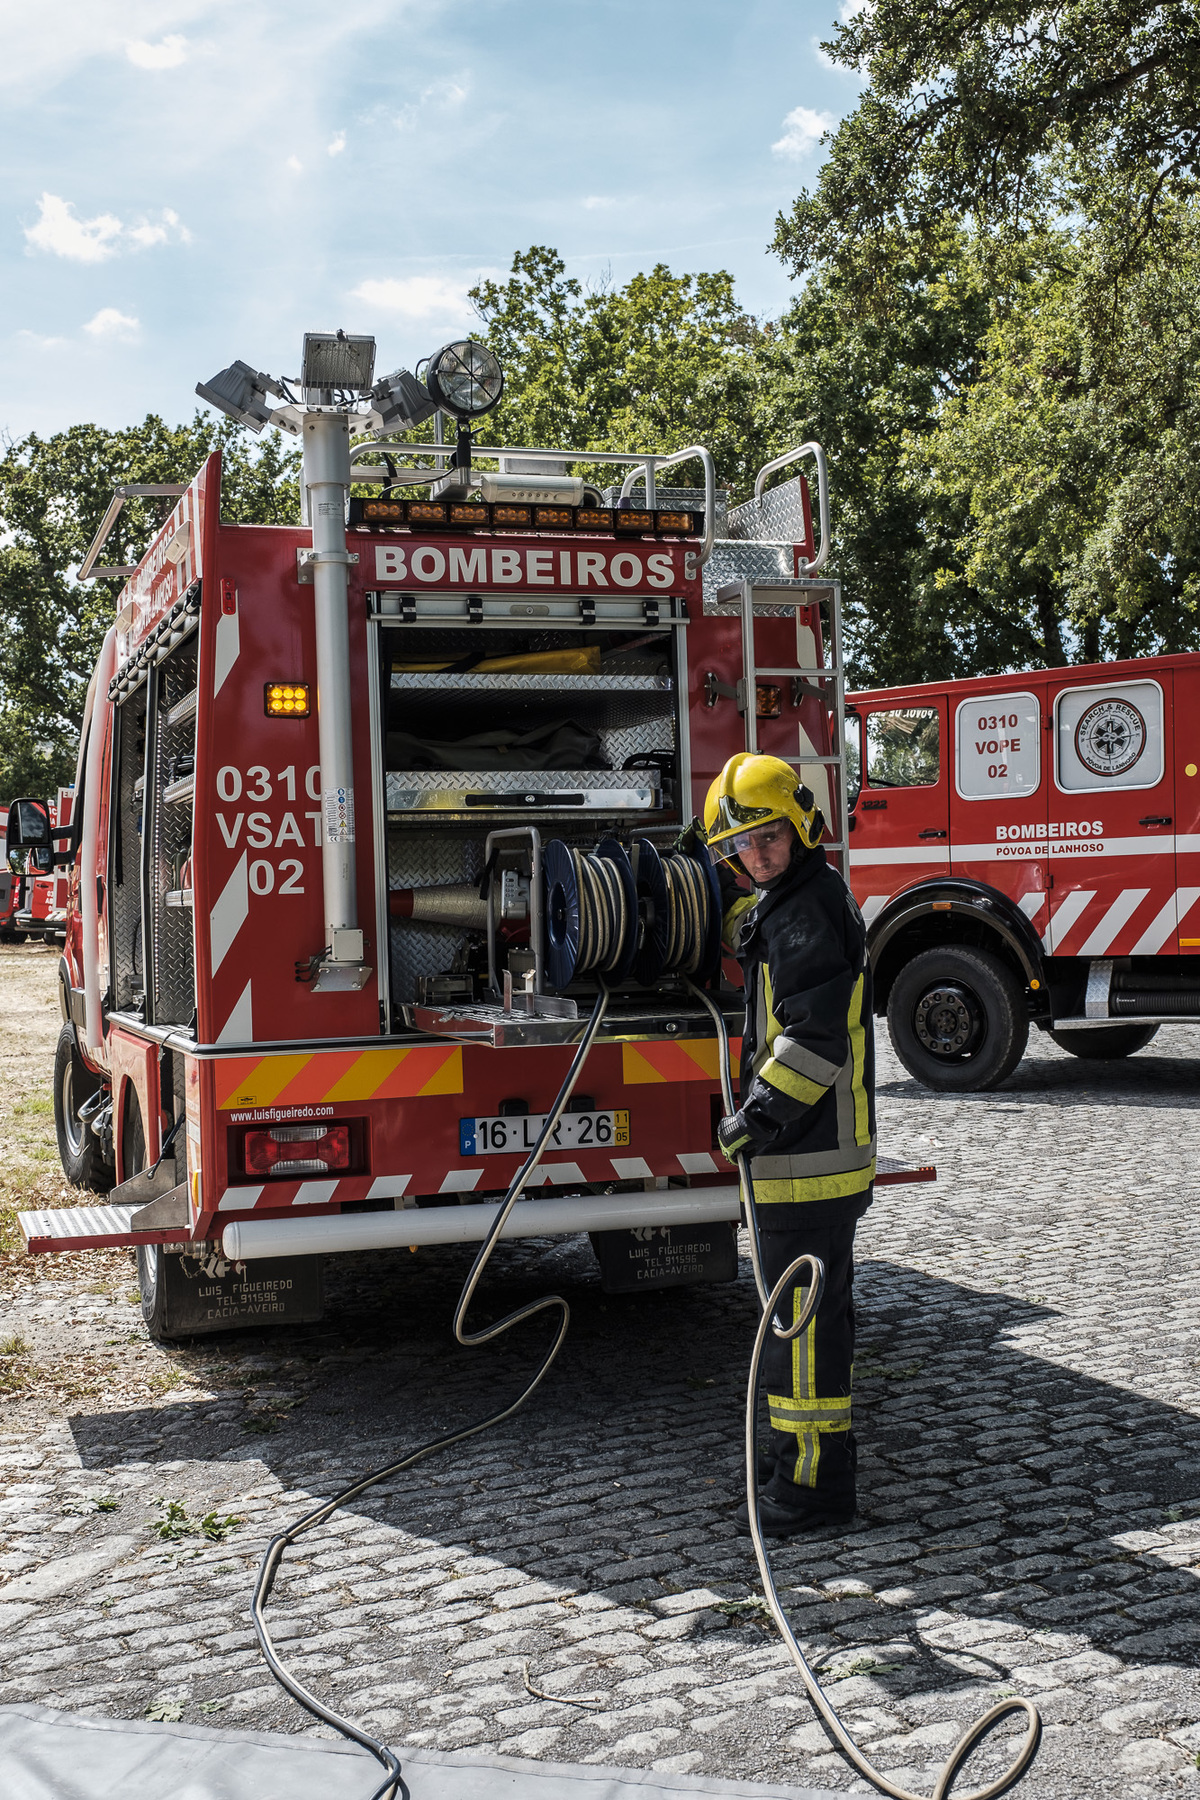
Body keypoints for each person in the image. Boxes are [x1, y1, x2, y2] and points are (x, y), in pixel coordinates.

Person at [703, 752, 875, 1537]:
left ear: (798, 825)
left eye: (769, 835)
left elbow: (816, 1037)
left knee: (800, 1334)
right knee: (808, 1322)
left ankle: (810, 1492)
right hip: (810, 1157)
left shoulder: (802, 911)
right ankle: (795, 1468)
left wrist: (756, 1117)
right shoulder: (794, 899)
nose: (758, 853)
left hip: (806, 1158)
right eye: (743, 845)